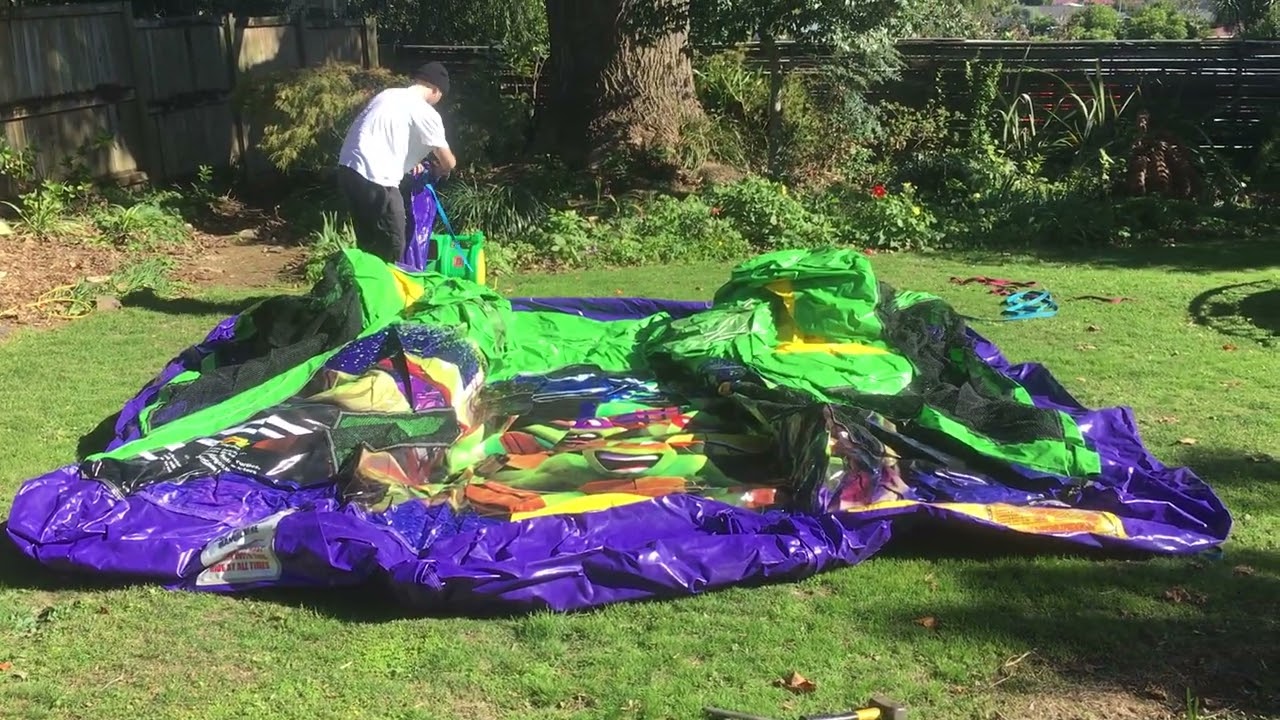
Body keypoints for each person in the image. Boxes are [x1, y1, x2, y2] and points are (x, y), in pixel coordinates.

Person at [336, 62, 457, 263]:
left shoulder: (388, 95)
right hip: (375, 175)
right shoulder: (425, 111)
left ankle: (366, 291)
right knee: (393, 241)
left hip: (348, 169)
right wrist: (440, 170)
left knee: (368, 244)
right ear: (435, 89)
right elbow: (448, 162)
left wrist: (411, 162)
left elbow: (385, 134)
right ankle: (389, 291)